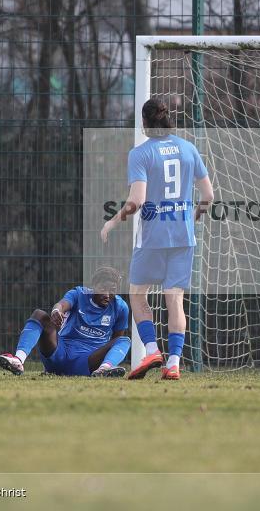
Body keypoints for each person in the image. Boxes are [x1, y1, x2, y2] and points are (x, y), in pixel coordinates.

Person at [101, 98, 214, 380]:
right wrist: (193, 217)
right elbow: (208, 196)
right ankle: (173, 363)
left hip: (152, 237)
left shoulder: (140, 153)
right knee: (174, 300)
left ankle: (152, 349)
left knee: (138, 294)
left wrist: (113, 221)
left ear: (144, 122)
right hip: (182, 236)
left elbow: (137, 201)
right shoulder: (189, 149)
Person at [0, 266, 131, 377]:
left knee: (124, 341)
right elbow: (60, 305)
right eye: (103, 289)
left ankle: (103, 371)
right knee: (39, 314)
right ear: (94, 286)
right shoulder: (79, 294)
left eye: (112, 291)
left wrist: (105, 360)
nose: (107, 295)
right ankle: (18, 360)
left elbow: (115, 340)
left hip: (87, 362)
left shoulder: (120, 307)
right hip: (60, 355)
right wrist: (56, 312)